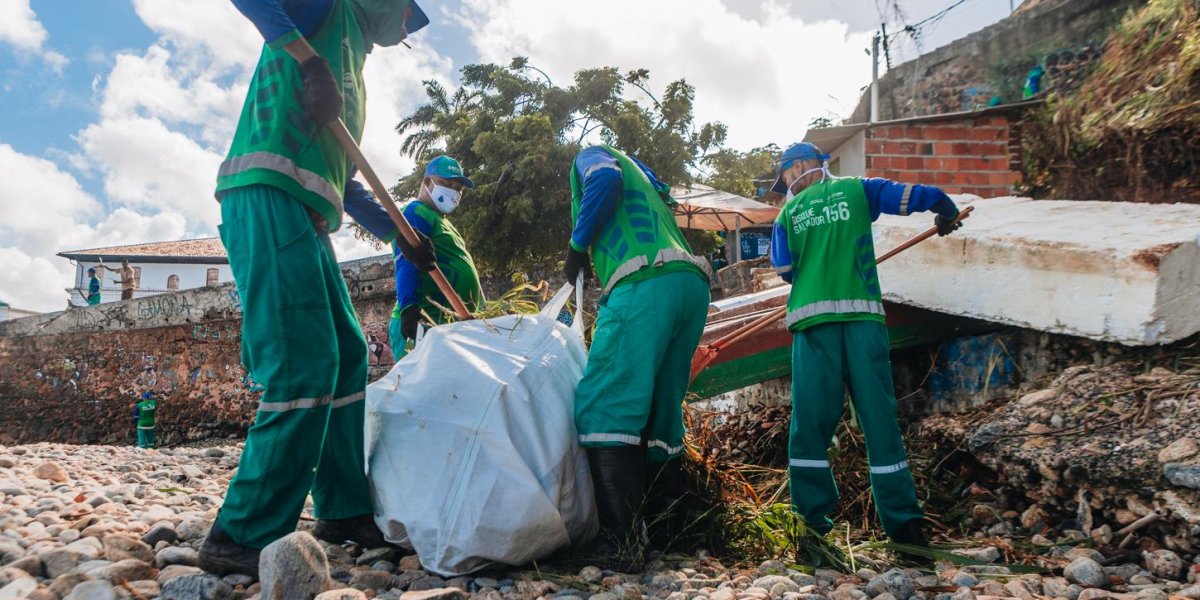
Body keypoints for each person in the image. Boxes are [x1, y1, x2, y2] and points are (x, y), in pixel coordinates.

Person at [198, 0, 433, 578]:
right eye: (407, 16)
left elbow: (347, 184)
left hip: (305, 211)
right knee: (304, 364)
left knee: (350, 356)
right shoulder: (327, 9)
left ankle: (342, 508)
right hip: (268, 192)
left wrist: (400, 237)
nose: (405, 30)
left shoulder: (354, 66)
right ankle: (242, 531)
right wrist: (309, 62)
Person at [767, 141, 962, 553]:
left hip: (812, 325)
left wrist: (818, 255)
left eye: (784, 176)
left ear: (799, 166)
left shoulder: (786, 214)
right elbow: (915, 197)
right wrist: (946, 210)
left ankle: (812, 533)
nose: (786, 184)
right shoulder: (860, 189)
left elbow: (784, 269)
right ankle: (907, 535)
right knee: (879, 423)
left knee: (810, 428)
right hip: (863, 325)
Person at [564, 145, 713, 565]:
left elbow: (604, 180)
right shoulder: (648, 181)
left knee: (605, 404)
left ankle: (621, 542)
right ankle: (672, 531)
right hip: (689, 284)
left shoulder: (591, 155)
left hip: (643, 282)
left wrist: (577, 247)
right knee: (660, 415)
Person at [344, 155, 485, 361]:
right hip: (424, 322)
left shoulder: (444, 222)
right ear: (427, 182)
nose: (453, 192)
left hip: (449, 321)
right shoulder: (415, 211)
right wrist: (409, 309)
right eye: (446, 184)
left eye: (458, 188)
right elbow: (406, 260)